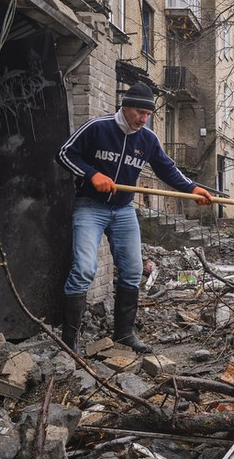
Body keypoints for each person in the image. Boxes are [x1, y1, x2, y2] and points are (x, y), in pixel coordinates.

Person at [56, 82, 213, 353]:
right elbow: (64, 153)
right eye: (139, 112)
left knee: (132, 271)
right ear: (125, 107)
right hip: (90, 206)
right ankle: (69, 342)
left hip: (124, 209)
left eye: (148, 114)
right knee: (83, 270)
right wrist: (92, 174)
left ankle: (124, 334)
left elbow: (167, 169)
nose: (143, 119)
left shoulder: (148, 139)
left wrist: (192, 189)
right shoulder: (98, 127)